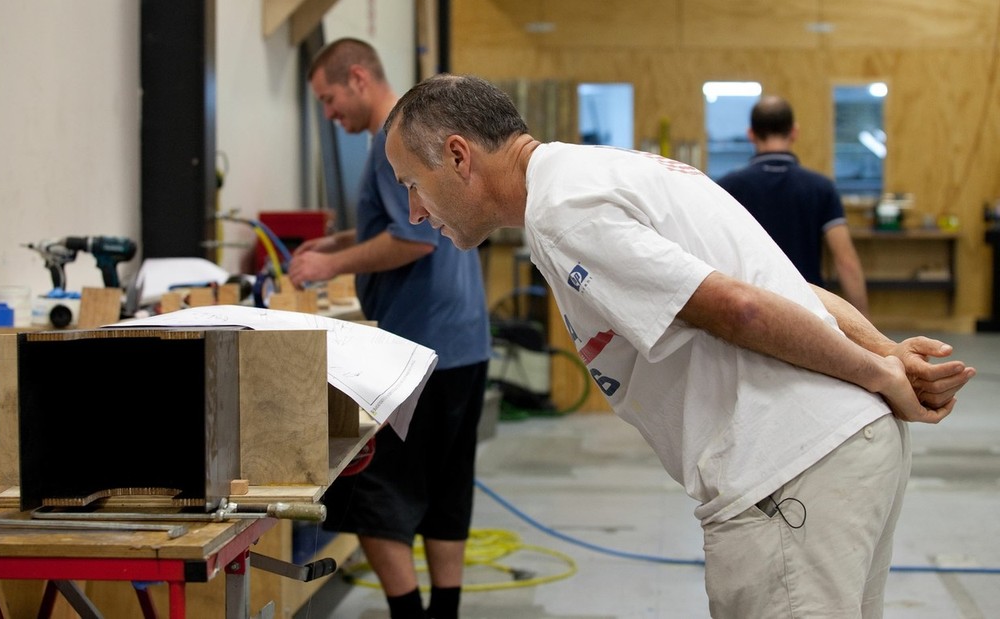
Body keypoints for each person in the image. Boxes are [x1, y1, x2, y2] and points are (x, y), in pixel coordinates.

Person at [382, 74, 976, 618]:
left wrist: (878, 370)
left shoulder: (563, 215)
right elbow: (790, 288)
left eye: (412, 183)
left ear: (459, 155)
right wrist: (883, 353)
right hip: (843, 454)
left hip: (790, 471)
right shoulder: (598, 171)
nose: (412, 210)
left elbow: (739, 307)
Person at [288, 41, 492, 619]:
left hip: (415, 351)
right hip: (464, 342)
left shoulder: (390, 142)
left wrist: (328, 266)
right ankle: (442, 611)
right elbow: (409, 223)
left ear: (357, 78)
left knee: (372, 489)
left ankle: (408, 614)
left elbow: (414, 240)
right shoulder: (422, 132)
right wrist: (343, 240)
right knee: (449, 486)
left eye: (329, 99)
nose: (330, 114)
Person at [718, 95, 871, 316]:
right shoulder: (821, 188)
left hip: (750, 311)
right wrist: (868, 331)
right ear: (794, 132)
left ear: (750, 134)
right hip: (810, 310)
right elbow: (845, 261)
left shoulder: (727, 188)